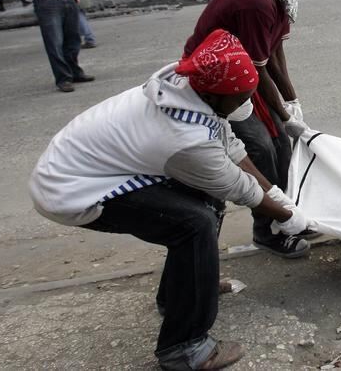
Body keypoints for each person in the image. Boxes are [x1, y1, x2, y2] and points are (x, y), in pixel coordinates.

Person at [30, 29, 311, 370]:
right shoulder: (184, 138)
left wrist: (277, 196)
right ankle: (185, 347)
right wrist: (286, 214)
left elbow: (232, 150)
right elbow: (238, 186)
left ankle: (181, 295)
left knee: (201, 209)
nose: (245, 105)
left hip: (95, 166)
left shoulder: (191, 89)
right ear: (217, 95)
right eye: (241, 98)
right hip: (72, 190)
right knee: (195, 223)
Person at [184, 0, 318, 260]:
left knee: (283, 148)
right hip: (220, 84)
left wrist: (291, 101)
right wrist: (285, 116)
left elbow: (273, 52)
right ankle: (268, 230)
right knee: (260, 151)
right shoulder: (257, 1)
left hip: (245, 75)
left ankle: (288, 214)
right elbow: (257, 67)